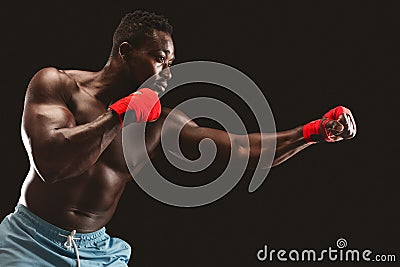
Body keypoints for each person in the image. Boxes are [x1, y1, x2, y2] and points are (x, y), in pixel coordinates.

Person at [0, 10, 356, 266]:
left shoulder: (161, 123)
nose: (167, 73)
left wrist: (311, 132)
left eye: (171, 63)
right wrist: (120, 114)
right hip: (31, 241)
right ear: (124, 52)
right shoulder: (58, 85)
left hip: (99, 253)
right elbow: (51, 165)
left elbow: (245, 149)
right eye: (159, 59)